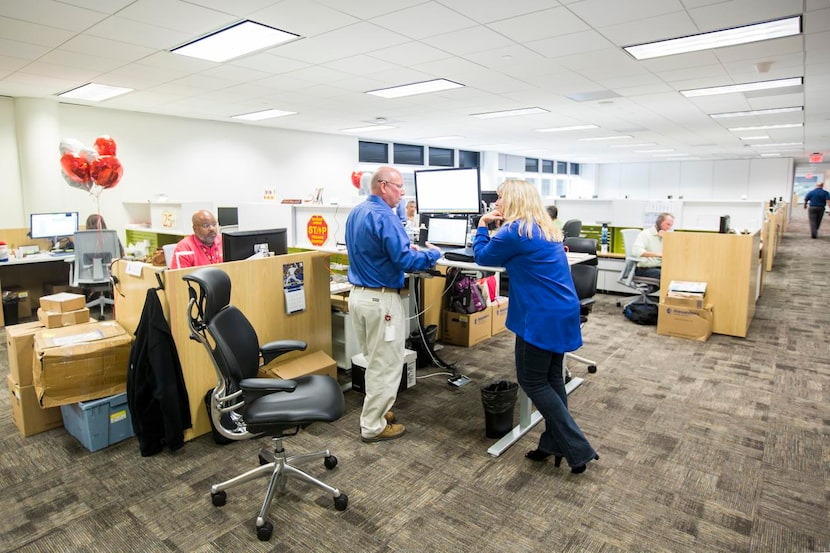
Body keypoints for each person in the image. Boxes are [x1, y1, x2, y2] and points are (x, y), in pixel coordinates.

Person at [473, 179, 599, 474]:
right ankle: (553, 445)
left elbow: (482, 258)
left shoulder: (513, 232)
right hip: (562, 309)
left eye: (500, 198)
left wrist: (481, 226)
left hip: (540, 315)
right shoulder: (545, 228)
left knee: (532, 382)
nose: (496, 204)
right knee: (553, 380)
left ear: (514, 200)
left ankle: (577, 447)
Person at [345, 166, 441, 443]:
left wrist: (401, 250)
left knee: (374, 359)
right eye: (399, 187)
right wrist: (432, 255)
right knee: (386, 364)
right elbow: (406, 261)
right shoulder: (385, 216)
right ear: (383, 186)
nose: (402, 193)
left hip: (359, 297)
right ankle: (373, 426)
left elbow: (374, 250)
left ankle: (379, 410)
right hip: (381, 300)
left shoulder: (358, 212)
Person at [631, 212, 674, 279]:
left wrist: (666, 239)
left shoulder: (665, 236)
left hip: (660, 268)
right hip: (644, 269)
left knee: (675, 273)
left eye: (670, 225)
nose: (669, 227)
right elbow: (636, 251)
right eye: (667, 224)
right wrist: (658, 254)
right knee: (665, 275)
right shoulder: (645, 234)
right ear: (659, 222)